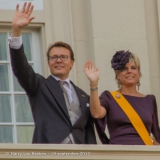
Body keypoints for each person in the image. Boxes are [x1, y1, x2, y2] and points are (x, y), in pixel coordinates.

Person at [8, 2, 96, 144]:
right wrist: (16, 31)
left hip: (80, 153)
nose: (58, 61)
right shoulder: (38, 85)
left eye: (63, 57)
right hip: (48, 150)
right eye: (54, 57)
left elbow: (88, 131)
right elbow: (20, 68)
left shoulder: (83, 95)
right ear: (48, 62)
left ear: (72, 62)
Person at [83, 50, 160, 145]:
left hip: (145, 154)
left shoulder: (149, 100)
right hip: (119, 153)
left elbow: (155, 134)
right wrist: (93, 83)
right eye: (124, 69)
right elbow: (96, 113)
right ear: (117, 74)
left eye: (133, 68)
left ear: (138, 73)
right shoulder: (109, 97)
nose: (129, 71)